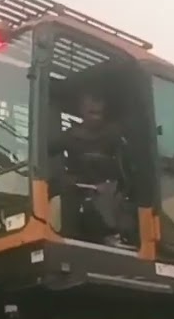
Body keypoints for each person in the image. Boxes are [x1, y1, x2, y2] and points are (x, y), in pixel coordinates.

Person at [51, 92, 136, 248]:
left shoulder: (113, 134)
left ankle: (114, 235)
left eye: (99, 108)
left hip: (108, 192)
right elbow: (46, 153)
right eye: (91, 107)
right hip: (77, 191)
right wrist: (66, 178)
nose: (95, 111)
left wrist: (113, 185)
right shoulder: (70, 136)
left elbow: (127, 167)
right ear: (81, 109)